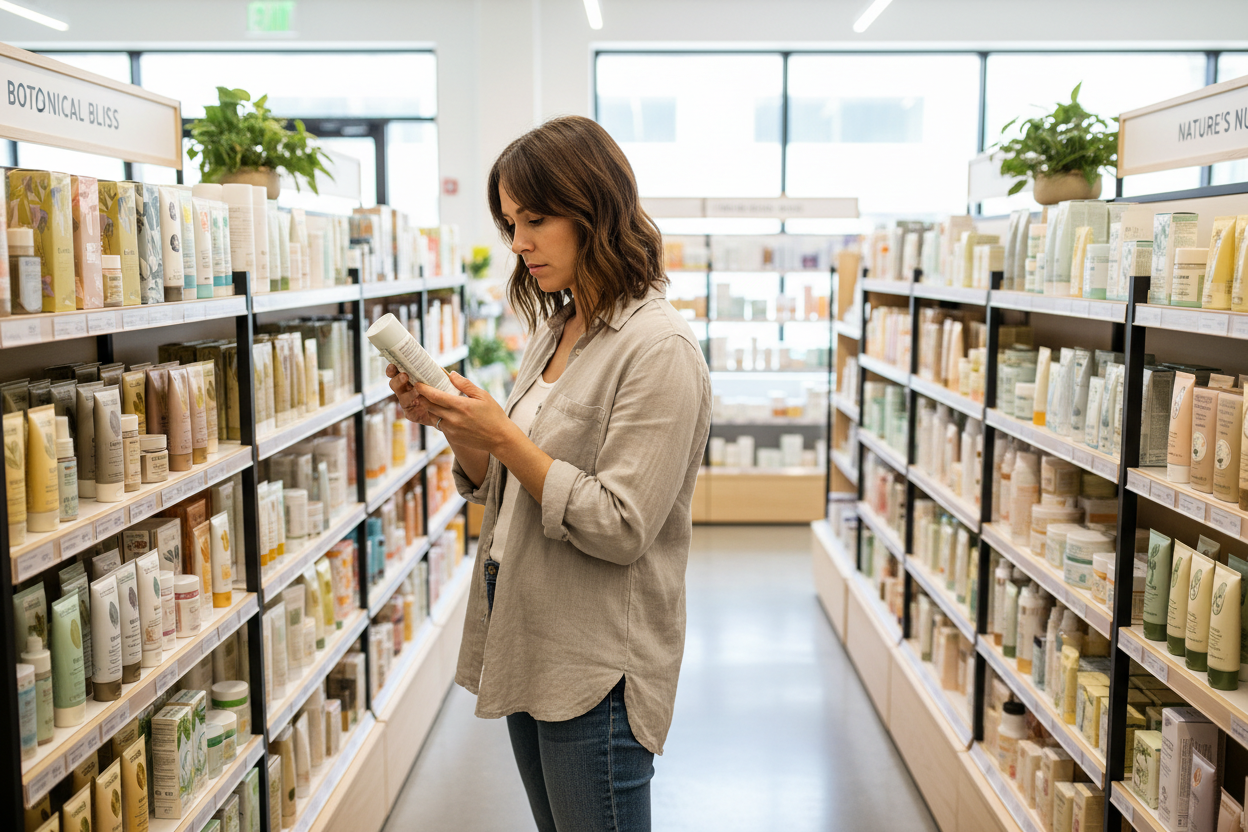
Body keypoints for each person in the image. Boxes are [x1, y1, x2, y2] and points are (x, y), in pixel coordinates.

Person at [386, 115, 711, 832]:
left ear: (596, 209)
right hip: (528, 633)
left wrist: (505, 434)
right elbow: (504, 487)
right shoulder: (555, 330)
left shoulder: (659, 350)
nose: (519, 243)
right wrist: (459, 425)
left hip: (594, 661)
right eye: (509, 223)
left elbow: (622, 525)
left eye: (536, 219)